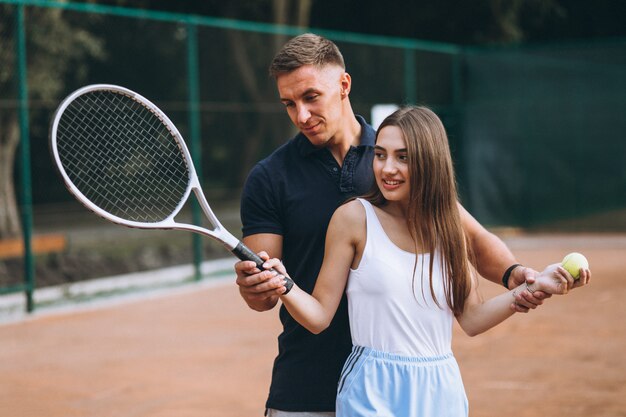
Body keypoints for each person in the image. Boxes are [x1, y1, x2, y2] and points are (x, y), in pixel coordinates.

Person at [234, 33, 571, 416]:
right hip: (307, 384)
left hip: (422, 390)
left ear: (343, 86)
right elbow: (264, 292)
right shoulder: (270, 177)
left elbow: (471, 237)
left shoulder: (396, 157)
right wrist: (258, 285)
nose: (301, 116)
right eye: (289, 104)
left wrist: (515, 276)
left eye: (311, 97)